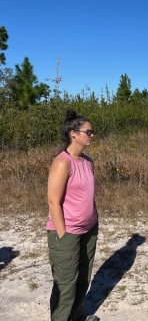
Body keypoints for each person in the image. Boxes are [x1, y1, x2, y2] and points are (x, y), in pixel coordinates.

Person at [46, 110, 99, 321]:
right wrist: (62, 234)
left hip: (89, 230)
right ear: (73, 133)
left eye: (92, 131)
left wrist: (93, 220)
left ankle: (77, 317)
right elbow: (53, 201)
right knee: (65, 285)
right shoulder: (62, 162)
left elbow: (88, 195)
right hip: (67, 233)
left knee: (82, 280)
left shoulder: (87, 161)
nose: (92, 135)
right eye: (88, 131)